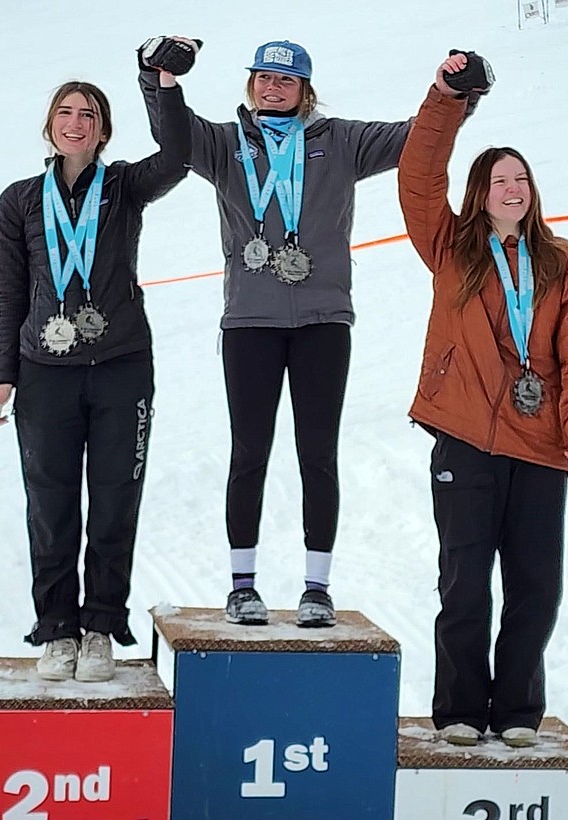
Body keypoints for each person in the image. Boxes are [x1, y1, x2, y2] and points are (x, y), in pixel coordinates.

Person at [137, 37, 412, 627]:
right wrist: (158, 74)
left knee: (318, 453)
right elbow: (172, 132)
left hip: (323, 322)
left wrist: (453, 93)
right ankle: (242, 586)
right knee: (249, 452)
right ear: (250, 84)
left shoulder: (340, 140)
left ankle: (317, 587)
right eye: (263, 77)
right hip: (250, 323)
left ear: (305, 90)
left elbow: (416, 137)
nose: (272, 87)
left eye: (286, 81)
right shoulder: (224, 143)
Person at [398, 52, 568, 747]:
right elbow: (418, 175)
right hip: (465, 437)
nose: (512, 188)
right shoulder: (453, 250)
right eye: (498, 179)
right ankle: (458, 709)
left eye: (520, 179)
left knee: (536, 588)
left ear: (532, 191)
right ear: (480, 193)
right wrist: (445, 100)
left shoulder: (565, 262)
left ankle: (517, 711)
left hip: (541, 444)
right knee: (464, 585)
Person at [0, 69, 190, 683]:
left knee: (116, 500)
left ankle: (99, 628)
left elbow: (178, 155)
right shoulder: (18, 200)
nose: (76, 123)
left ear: (102, 132)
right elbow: (10, 294)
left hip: (122, 366)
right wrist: (4, 376)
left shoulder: (124, 186)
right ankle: (57, 630)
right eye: (66, 113)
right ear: (50, 126)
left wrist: (163, 85)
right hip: (45, 373)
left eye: (89, 115)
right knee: (50, 505)